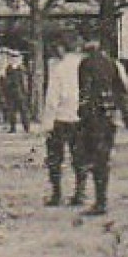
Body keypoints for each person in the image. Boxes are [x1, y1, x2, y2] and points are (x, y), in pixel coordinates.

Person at [76, 37, 128, 216]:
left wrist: (81, 115)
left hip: (92, 119)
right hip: (109, 118)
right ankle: (102, 199)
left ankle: (99, 201)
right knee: (104, 158)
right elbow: (121, 93)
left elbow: (84, 93)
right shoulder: (112, 64)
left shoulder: (85, 64)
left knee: (93, 159)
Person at [42, 38, 87, 206]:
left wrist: (47, 122)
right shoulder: (84, 65)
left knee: (55, 158)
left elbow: (52, 98)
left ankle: (57, 194)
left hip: (61, 118)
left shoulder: (59, 69)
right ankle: (80, 192)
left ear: (61, 48)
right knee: (80, 156)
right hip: (80, 118)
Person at [0, 52, 31, 134]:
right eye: (12, 58)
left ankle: (26, 127)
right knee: (12, 110)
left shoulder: (21, 68)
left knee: (23, 110)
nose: (14, 59)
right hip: (11, 92)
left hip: (20, 92)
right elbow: (5, 80)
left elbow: (25, 81)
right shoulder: (8, 68)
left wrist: (26, 91)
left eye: (16, 58)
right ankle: (13, 127)